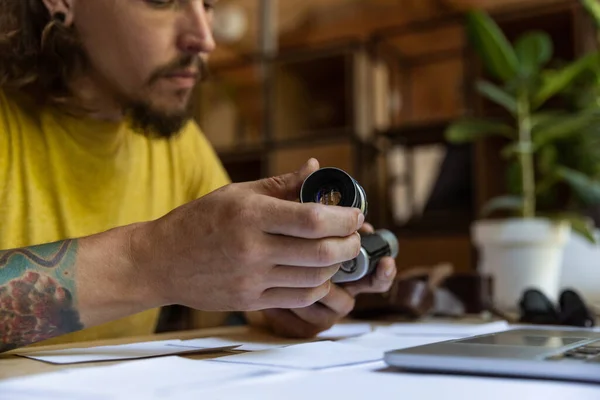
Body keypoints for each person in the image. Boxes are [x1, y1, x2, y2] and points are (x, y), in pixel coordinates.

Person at [0, 0, 397, 353]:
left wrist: (281, 291)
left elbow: (229, 270)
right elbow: (173, 258)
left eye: (208, 3)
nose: (205, 37)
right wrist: (151, 260)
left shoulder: (177, 142)